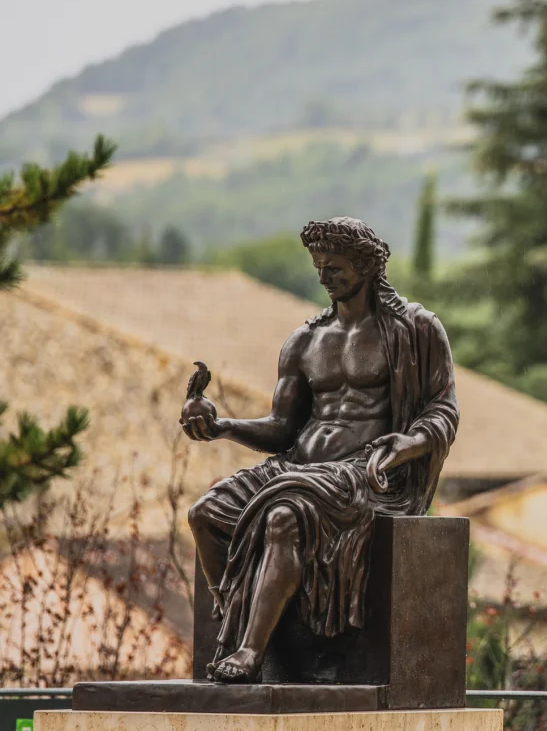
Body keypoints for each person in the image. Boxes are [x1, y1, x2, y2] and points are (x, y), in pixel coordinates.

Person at [183, 217, 459, 683]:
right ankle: (239, 620)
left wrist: (408, 444)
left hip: (364, 474)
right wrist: (221, 426)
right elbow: (280, 429)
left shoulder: (416, 329)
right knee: (205, 513)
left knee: (284, 516)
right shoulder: (305, 340)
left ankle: (251, 652)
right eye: (318, 267)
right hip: (297, 467)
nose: (323, 277)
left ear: (366, 266)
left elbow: (443, 408)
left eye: (334, 267)